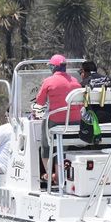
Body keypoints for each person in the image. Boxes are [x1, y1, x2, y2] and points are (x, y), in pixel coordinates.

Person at [36, 54, 81, 182]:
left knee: (46, 146)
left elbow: (40, 102)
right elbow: (81, 103)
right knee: (61, 147)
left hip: (56, 121)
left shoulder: (48, 81)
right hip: (75, 122)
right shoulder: (75, 81)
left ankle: (51, 176)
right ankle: (60, 176)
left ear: (53, 68)